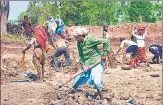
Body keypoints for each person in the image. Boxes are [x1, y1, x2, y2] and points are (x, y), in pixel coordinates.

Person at [69, 27, 110, 100]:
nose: (75, 38)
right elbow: (81, 54)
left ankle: (102, 98)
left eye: (76, 37)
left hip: (96, 63)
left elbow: (106, 41)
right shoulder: (79, 43)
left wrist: (104, 54)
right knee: (78, 78)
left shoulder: (90, 39)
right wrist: (83, 64)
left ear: (81, 35)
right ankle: (70, 92)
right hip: (87, 64)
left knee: (97, 81)